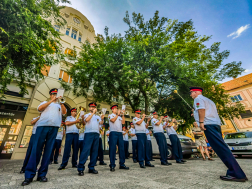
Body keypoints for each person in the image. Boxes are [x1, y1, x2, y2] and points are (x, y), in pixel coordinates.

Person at [189, 86, 247, 182]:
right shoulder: (208, 100)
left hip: (209, 125)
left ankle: (236, 174)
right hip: (215, 124)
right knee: (222, 148)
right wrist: (195, 113)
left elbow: (201, 110)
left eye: (191, 93)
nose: (190, 95)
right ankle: (238, 173)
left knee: (221, 149)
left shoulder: (198, 99)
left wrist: (201, 122)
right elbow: (204, 111)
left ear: (195, 92)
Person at [22, 88, 67, 186]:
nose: (55, 95)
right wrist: (51, 101)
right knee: (36, 150)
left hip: (54, 128)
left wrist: (61, 102)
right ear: (50, 95)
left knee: (48, 151)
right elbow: (40, 109)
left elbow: (64, 112)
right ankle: (29, 175)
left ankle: (42, 174)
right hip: (42, 126)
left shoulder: (60, 104)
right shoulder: (45, 102)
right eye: (53, 94)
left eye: (56, 94)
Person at [77, 102, 104, 176]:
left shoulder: (97, 117)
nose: (92, 108)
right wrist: (92, 114)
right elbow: (86, 120)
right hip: (89, 133)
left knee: (94, 152)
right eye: (91, 107)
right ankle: (81, 168)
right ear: (89, 108)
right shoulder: (87, 115)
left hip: (96, 134)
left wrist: (102, 119)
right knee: (85, 151)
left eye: (94, 107)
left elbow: (100, 124)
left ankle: (91, 167)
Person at [108, 105, 129, 171]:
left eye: (117, 108)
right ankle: (112, 165)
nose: (116, 109)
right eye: (115, 108)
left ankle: (122, 164)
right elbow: (113, 120)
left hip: (120, 133)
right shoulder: (110, 115)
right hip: (113, 133)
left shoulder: (119, 116)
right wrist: (117, 114)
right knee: (113, 149)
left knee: (121, 149)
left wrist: (123, 115)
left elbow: (123, 122)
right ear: (112, 110)